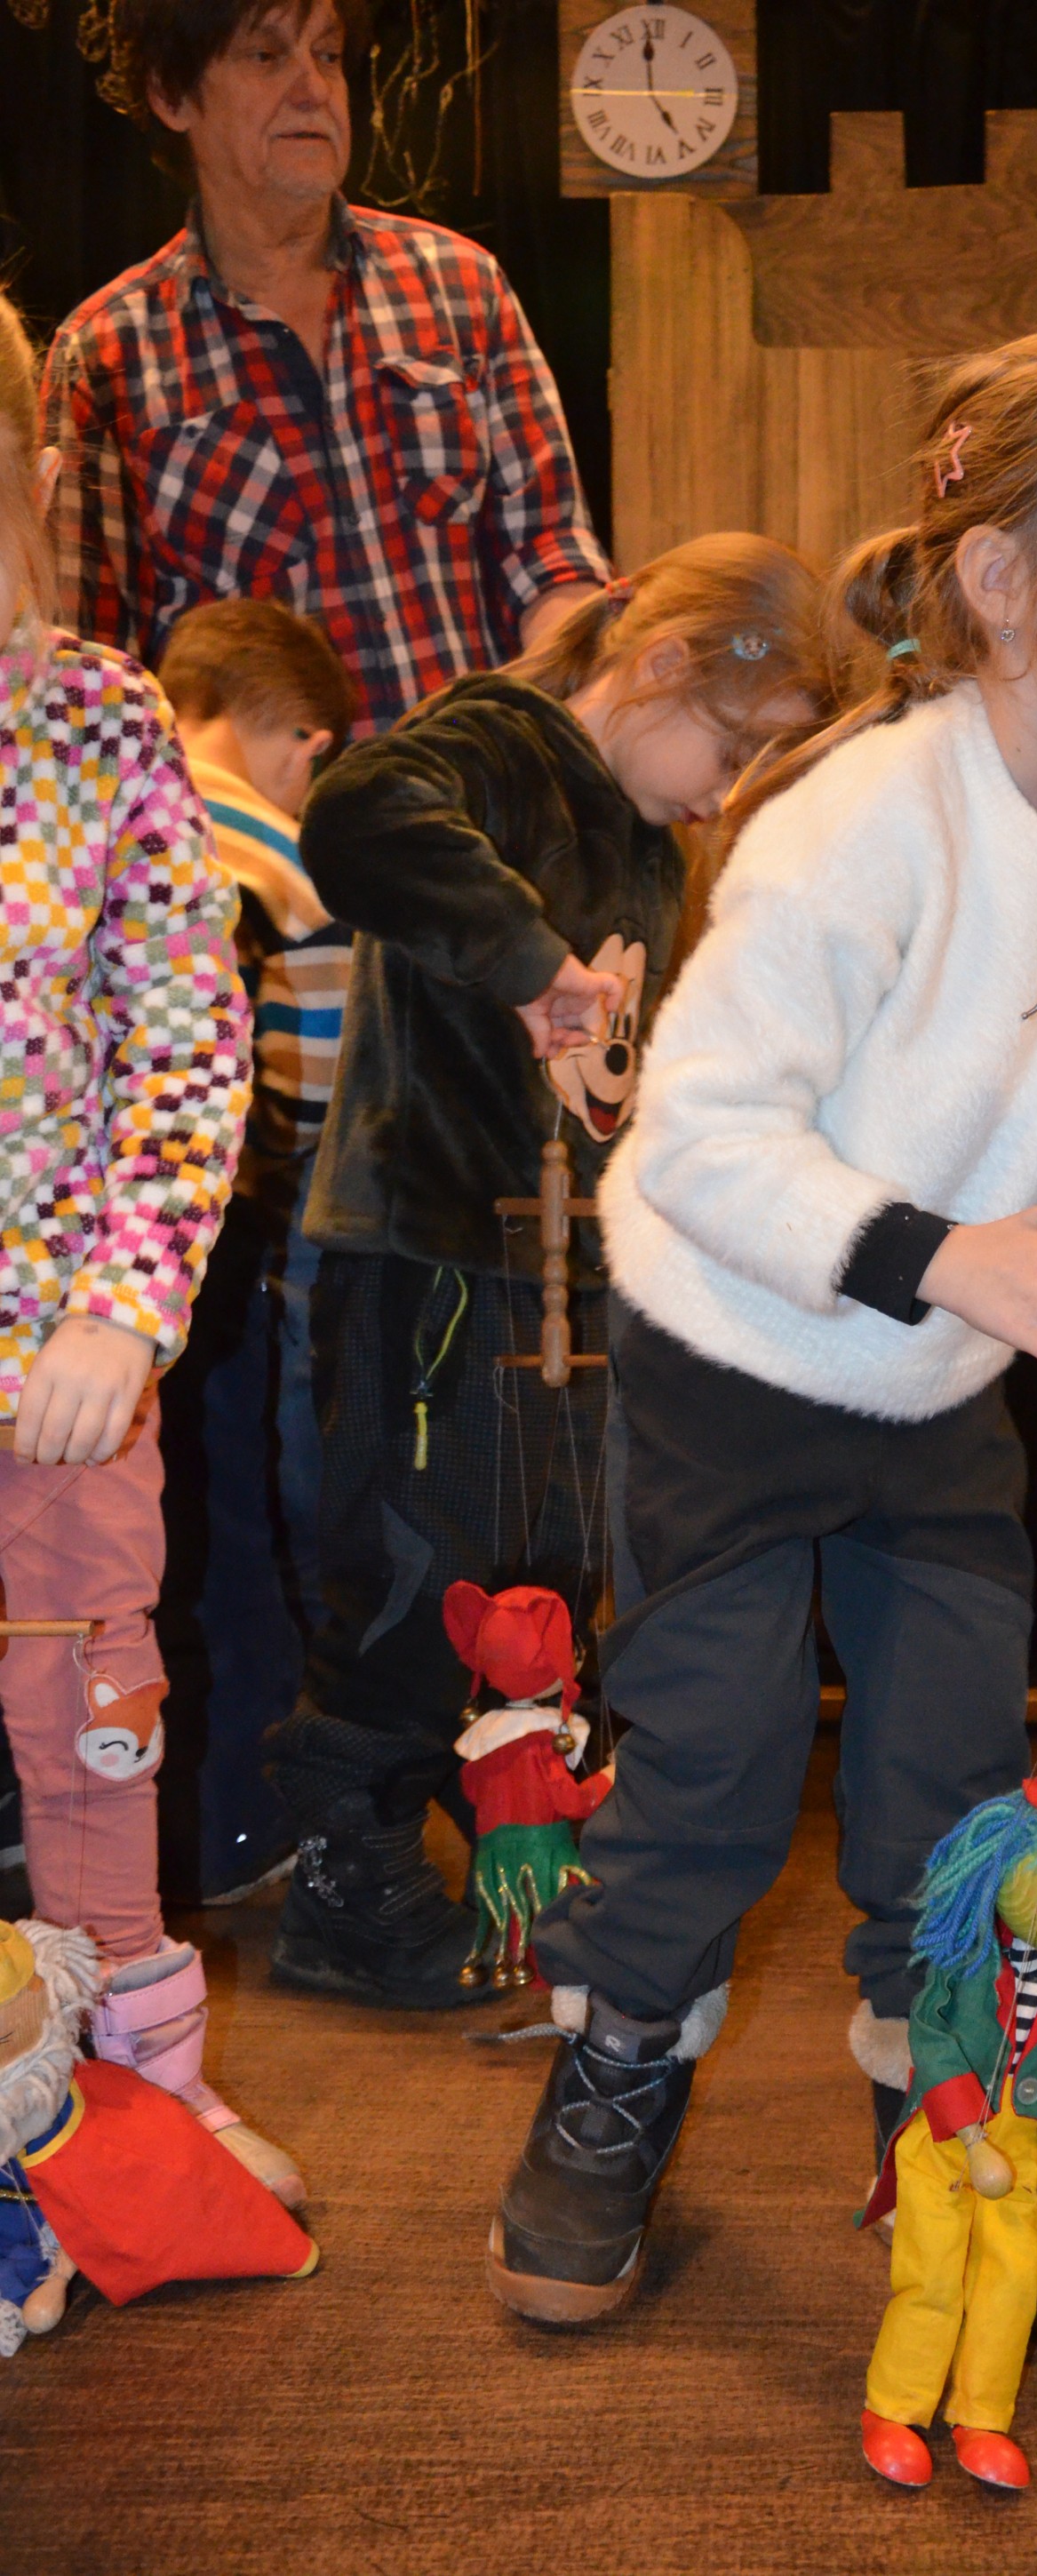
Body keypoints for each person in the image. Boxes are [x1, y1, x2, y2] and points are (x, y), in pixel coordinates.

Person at [490, 295, 1037, 2333]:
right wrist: (951, 1257)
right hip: (731, 1353)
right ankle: (615, 2079)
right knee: (712, 1758)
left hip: (935, 1378)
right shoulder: (861, 822)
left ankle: (953, 2116)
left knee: (951, 1773)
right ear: (1001, 582)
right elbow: (697, 1140)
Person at [264, 534, 830, 2012]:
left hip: (555, 1273)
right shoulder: (501, 743)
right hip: (429, 1248)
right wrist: (527, 960)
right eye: (728, 751)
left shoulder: (645, 838)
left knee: (545, 1572)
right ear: (662, 664)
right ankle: (346, 1873)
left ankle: (511, 1830)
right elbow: (358, 816)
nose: (722, 794)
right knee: (416, 1568)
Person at [0, 290, 299, 2205]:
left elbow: (188, 1045)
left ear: (34, 478)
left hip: (61, 1369)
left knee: (95, 1724)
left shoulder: (101, 726)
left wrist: (123, 1307)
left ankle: (141, 2088)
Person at [42, 0, 604, 738]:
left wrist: (561, 719)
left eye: (329, 56)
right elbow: (87, 674)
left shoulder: (462, 286)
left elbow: (553, 555)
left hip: (483, 794)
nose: (313, 89)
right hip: (262, 813)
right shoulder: (107, 354)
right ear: (171, 96)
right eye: (267, 56)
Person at [154, 596, 358, 1902]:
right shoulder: (290, 859)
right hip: (241, 1239)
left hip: (94, 1256)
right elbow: (322, 1086)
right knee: (252, 1526)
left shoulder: (107, 812)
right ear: (304, 739)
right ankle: (246, 1817)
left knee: (155, 1533)